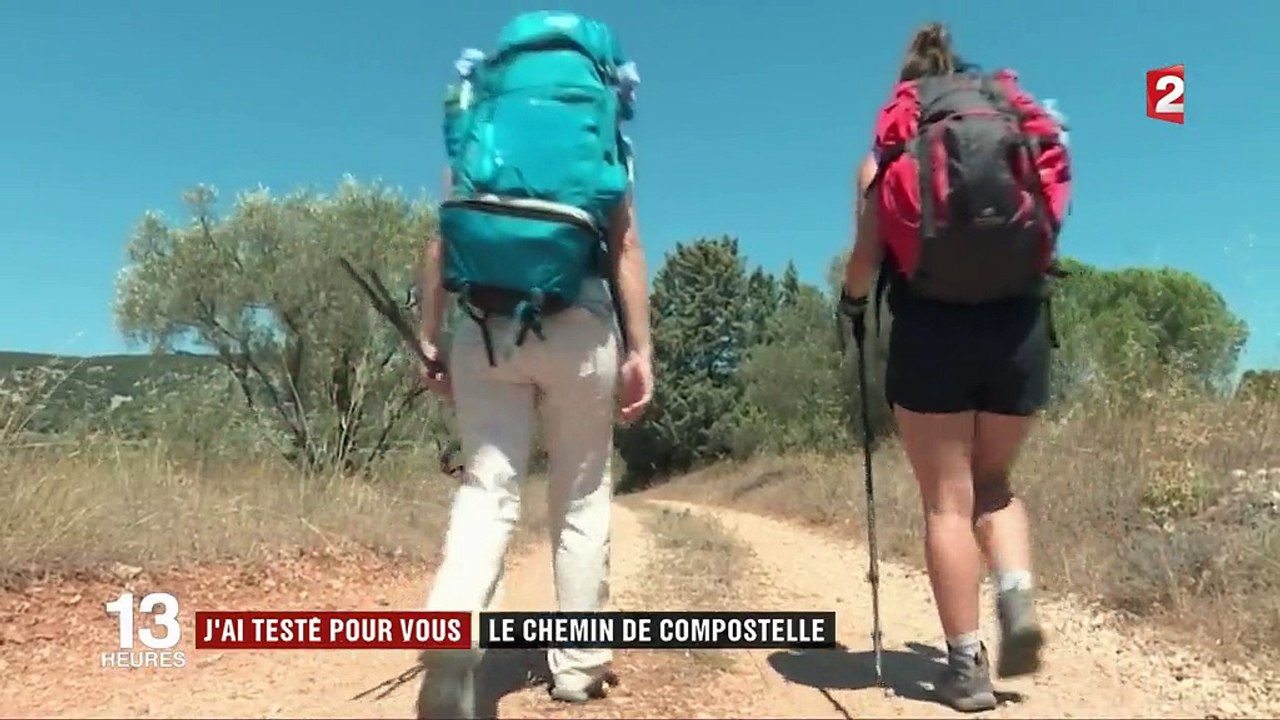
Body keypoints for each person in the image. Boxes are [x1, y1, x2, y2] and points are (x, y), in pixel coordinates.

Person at [414, 12, 654, 719]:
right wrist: (641, 351)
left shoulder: (481, 118)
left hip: (484, 326)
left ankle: (453, 622)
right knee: (579, 497)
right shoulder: (602, 129)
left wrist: (430, 338)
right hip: (579, 323)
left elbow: (441, 240)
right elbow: (625, 247)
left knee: (487, 488)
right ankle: (578, 667)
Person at [839, 22, 1072, 713]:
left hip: (931, 327)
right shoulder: (1013, 126)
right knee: (994, 485)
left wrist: (852, 306)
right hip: (1017, 325)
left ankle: (965, 668)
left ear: (906, 86)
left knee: (948, 500)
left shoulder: (889, 149)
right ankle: (1016, 596)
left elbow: (866, 259)